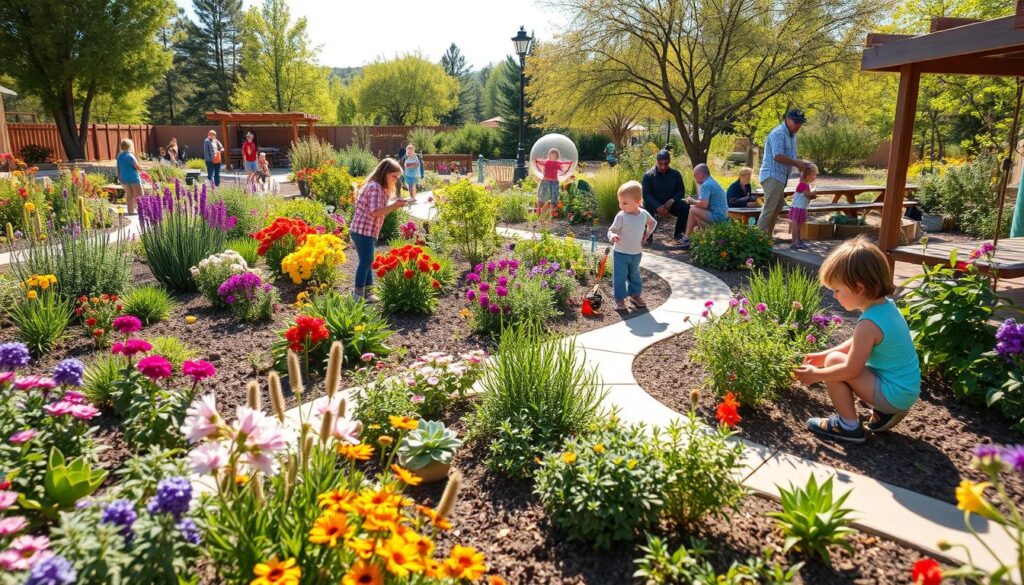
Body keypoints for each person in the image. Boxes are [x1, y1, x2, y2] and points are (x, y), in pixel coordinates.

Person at [795, 237, 920, 444]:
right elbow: (856, 343)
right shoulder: (885, 308)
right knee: (832, 358)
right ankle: (884, 412)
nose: (834, 296)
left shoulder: (868, 324)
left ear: (859, 288)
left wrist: (816, 375)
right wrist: (822, 356)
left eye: (837, 290)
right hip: (904, 389)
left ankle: (848, 425)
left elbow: (851, 370)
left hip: (893, 394)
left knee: (835, 363)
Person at [350, 158, 409, 302]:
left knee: (367, 261)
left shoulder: (377, 186)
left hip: (365, 231)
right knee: (366, 261)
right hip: (363, 231)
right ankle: (357, 294)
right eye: (394, 177)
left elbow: (379, 206)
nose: (396, 180)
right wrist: (394, 205)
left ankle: (368, 293)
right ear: (384, 173)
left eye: (397, 177)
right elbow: (375, 212)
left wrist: (395, 203)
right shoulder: (375, 187)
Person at [756, 108, 812, 236]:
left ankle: (766, 239)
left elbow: (789, 157)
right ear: (787, 119)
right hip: (772, 176)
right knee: (770, 208)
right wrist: (797, 163)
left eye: (801, 122)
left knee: (776, 208)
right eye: (796, 122)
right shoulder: (779, 133)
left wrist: (800, 164)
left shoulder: (792, 136)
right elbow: (778, 156)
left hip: (781, 178)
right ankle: (758, 240)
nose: (799, 125)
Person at [607, 180, 657, 312]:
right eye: (619, 202)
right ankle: (619, 298)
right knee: (620, 276)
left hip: (636, 253)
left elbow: (653, 223)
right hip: (621, 253)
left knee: (634, 275)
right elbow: (611, 230)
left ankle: (635, 295)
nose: (621, 205)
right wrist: (613, 236)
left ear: (637, 202)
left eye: (624, 203)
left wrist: (647, 234)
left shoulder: (643, 214)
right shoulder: (621, 216)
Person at [641, 149, 688, 245]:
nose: (663, 166)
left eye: (665, 163)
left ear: (669, 162)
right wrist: (657, 206)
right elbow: (646, 194)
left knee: (685, 205)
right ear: (656, 161)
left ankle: (679, 233)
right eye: (660, 163)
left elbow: (681, 191)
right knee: (647, 206)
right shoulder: (648, 175)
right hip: (654, 204)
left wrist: (672, 200)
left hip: (671, 204)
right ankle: (647, 236)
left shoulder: (676, 174)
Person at [677, 164, 728, 248]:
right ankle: (699, 238)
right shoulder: (711, 181)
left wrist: (692, 201)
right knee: (695, 209)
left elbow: (704, 204)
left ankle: (687, 238)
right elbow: (705, 204)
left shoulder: (706, 185)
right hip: (723, 217)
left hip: (719, 218)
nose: (694, 177)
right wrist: (694, 203)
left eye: (695, 175)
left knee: (693, 210)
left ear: (701, 174)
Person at [534, 148, 572, 214]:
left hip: (554, 182)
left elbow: (562, 167)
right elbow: (538, 162)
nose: (552, 157)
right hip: (545, 181)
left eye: (554, 156)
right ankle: (538, 211)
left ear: (557, 157)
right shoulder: (546, 162)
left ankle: (551, 212)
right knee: (542, 196)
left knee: (554, 197)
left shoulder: (557, 163)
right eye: (551, 155)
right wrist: (535, 159)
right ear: (549, 155)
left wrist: (569, 163)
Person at [789, 163, 818, 249]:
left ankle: (798, 239)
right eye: (814, 175)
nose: (815, 177)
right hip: (798, 208)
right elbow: (808, 195)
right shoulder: (803, 185)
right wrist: (814, 192)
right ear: (808, 175)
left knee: (800, 225)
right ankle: (794, 241)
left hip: (802, 207)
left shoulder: (805, 184)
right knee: (796, 225)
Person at [116, 138, 143, 215]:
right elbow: (137, 166)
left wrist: (119, 177)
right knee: (139, 195)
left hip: (123, 179)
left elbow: (118, 168)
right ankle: (141, 212)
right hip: (133, 178)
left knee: (129, 195)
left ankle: (130, 211)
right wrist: (142, 168)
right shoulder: (130, 155)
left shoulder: (119, 156)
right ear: (130, 146)